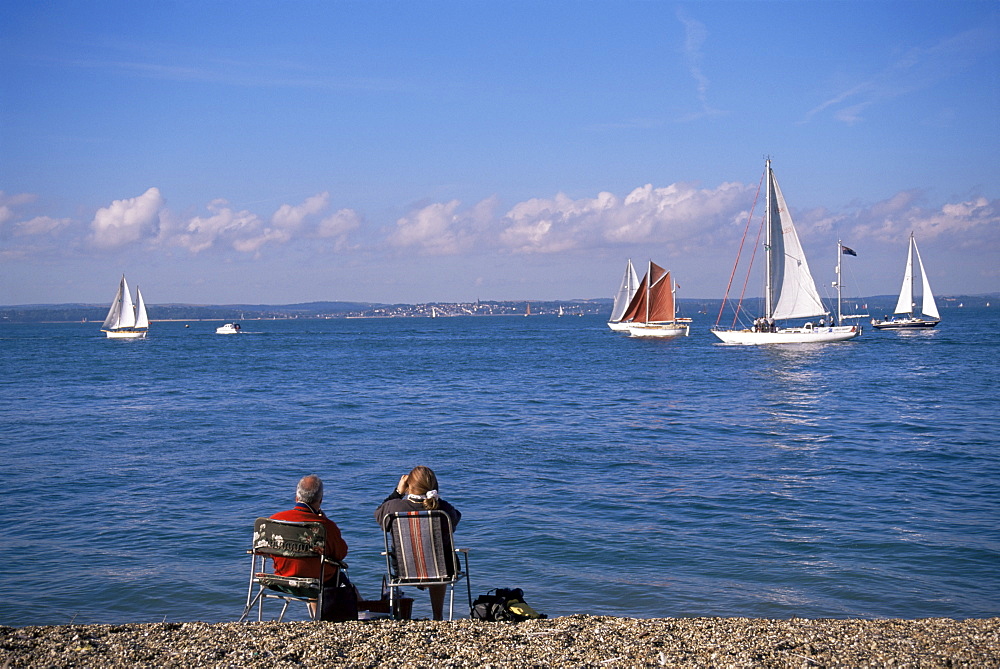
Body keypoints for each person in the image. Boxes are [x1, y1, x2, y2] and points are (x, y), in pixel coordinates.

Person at [375, 466, 461, 620]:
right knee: (440, 559)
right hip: (441, 570)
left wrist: (398, 492)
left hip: (404, 569)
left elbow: (378, 514)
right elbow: (456, 518)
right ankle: (438, 615)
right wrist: (435, 499)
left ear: (409, 486)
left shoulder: (394, 506)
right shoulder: (444, 509)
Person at [271, 474, 357, 621]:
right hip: (318, 581)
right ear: (321, 500)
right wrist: (324, 519)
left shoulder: (274, 520)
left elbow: (262, 550)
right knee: (331, 571)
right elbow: (341, 553)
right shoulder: (326, 526)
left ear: (296, 497)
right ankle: (360, 610)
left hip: (282, 578)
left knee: (316, 567)